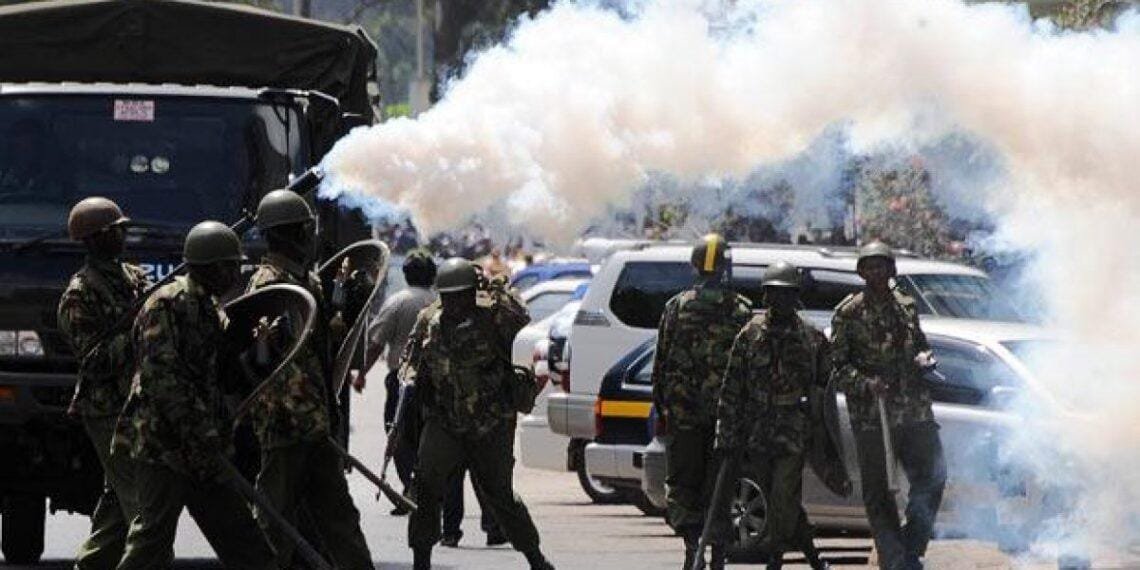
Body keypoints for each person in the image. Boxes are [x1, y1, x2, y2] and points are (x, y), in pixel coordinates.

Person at [111, 221, 275, 568]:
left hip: (202, 448)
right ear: (209, 266)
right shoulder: (168, 304)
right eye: (230, 265)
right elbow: (162, 378)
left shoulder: (208, 307)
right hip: (163, 445)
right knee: (151, 542)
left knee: (244, 539)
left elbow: (216, 371)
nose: (235, 273)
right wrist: (202, 432)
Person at [397, 258, 554, 570]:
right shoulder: (429, 320)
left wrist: (496, 288)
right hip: (445, 422)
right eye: (449, 296)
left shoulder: (495, 316)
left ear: (473, 292)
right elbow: (410, 360)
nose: (455, 304)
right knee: (425, 488)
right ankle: (421, 560)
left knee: (500, 496)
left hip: (490, 423)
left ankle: (535, 558)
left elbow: (523, 322)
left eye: (462, 295)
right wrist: (411, 381)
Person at [245, 189, 373, 568]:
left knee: (339, 517)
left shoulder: (308, 281)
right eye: (303, 230)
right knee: (275, 521)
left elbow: (326, 340)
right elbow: (264, 359)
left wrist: (345, 299)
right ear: (283, 234)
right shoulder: (269, 285)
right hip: (284, 421)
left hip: (315, 419)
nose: (310, 236)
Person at [830, 241, 946, 570]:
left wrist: (925, 359)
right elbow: (837, 369)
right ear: (862, 272)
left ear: (892, 270)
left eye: (883, 266)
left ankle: (911, 547)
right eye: (870, 267)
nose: (877, 273)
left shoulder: (906, 306)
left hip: (914, 410)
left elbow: (920, 347)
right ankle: (895, 560)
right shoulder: (849, 313)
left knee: (934, 477)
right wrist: (866, 383)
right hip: (873, 416)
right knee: (879, 493)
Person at [716, 262, 830, 570]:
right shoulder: (750, 335)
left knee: (783, 493)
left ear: (795, 297)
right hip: (758, 428)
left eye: (786, 294)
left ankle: (775, 557)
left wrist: (816, 421)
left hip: (793, 427)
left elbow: (825, 384)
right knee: (779, 498)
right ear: (765, 296)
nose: (780, 301)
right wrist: (725, 433)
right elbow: (732, 386)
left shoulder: (811, 337)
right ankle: (813, 555)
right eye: (774, 294)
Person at [651, 234, 752, 570]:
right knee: (722, 486)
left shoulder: (676, 307)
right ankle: (718, 555)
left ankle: (692, 548)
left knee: (683, 484)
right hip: (726, 419)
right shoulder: (740, 309)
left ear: (696, 266)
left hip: (684, 417)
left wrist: (663, 407)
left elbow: (661, 364)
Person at [58, 197, 148, 569]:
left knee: (116, 503)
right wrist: (135, 333)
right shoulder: (80, 294)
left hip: (136, 402)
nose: (124, 236)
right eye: (117, 231)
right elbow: (92, 360)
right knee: (143, 510)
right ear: (96, 239)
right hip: (106, 409)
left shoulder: (132, 277)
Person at [357, 249, 439, 513]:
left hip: (402, 380)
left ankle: (410, 488)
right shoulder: (441, 302)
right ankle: (426, 491)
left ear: (405, 274)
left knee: (398, 434)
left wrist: (362, 374)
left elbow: (376, 343)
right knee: (429, 436)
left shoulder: (398, 302)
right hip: (436, 381)